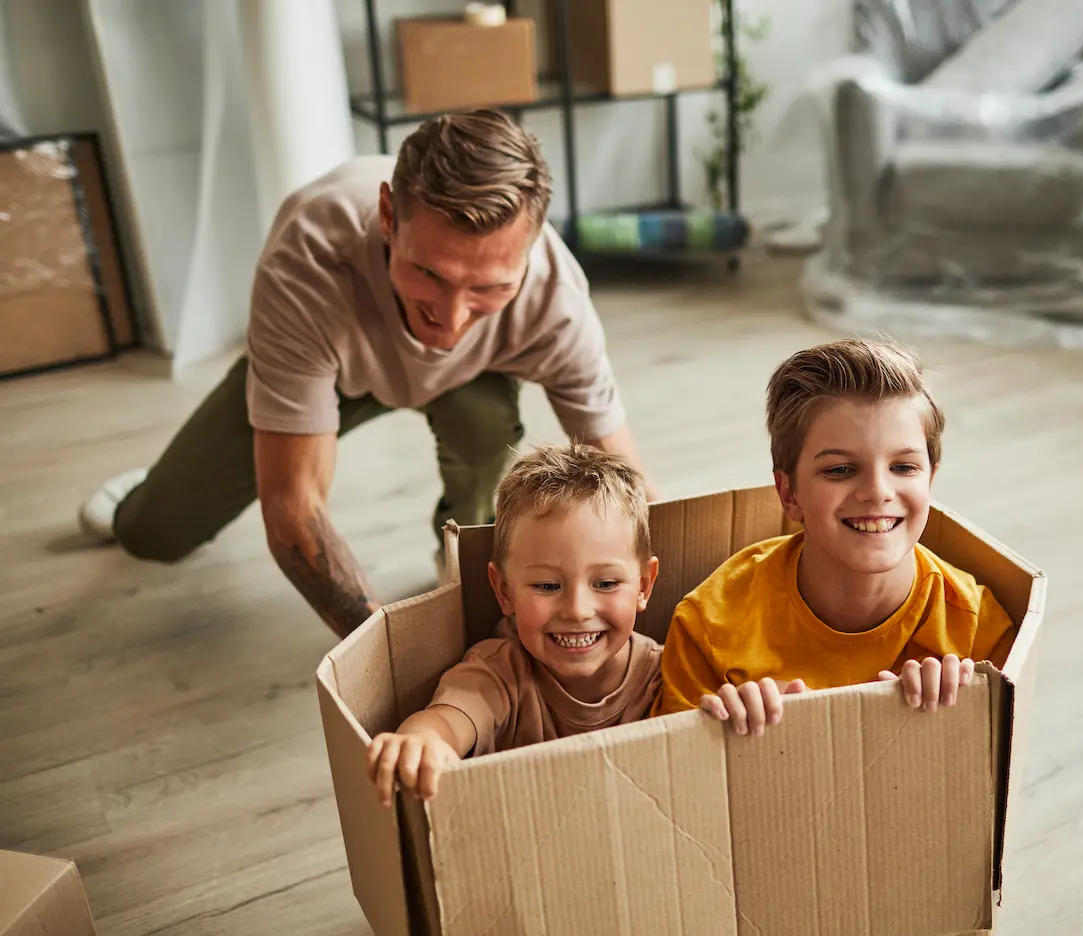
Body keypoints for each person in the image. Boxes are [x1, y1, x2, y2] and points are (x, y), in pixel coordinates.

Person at [77, 109, 655, 638]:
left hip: (471, 381)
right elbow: (293, 505)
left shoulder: (556, 297)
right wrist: (388, 652)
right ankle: (146, 493)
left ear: (528, 253)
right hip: (328, 368)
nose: (451, 320)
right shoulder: (308, 258)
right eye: (429, 273)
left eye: (489, 288)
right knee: (152, 534)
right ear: (387, 216)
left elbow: (624, 482)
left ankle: (461, 562)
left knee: (487, 428)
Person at [652, 338, 1016, 735]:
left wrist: (950, 723)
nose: (878, 491)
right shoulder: (709, 625)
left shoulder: (978, 631)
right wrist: (724, 735)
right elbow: (670, 773)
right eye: (840, 469)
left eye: (904, 467)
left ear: (931, 478)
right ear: (789, 495)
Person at [366, 442, 661, 806]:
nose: (577, 610)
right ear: (503, 592)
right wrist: (421, 742)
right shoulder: (497, 675)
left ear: (644, 586)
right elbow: (448, 720)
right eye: (547, 586)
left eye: (605, 583)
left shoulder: (669, 672)